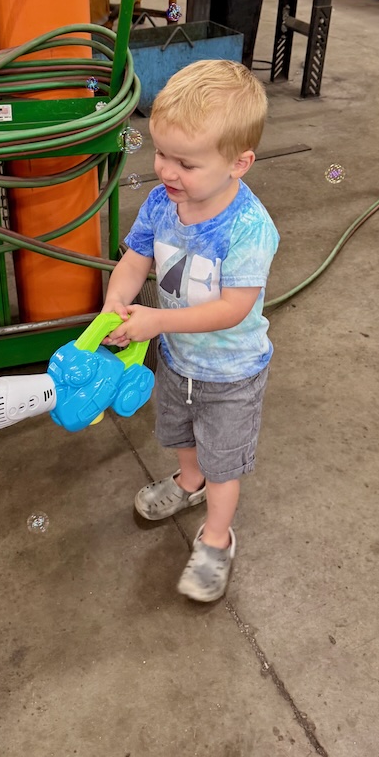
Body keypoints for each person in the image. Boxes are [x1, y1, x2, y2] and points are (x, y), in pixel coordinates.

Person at [102, 60, 279, 603]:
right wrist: (116, 303)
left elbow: (231, 309)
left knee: (224, 460)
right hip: (178, 361)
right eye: (160, 154)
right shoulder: (162, 204)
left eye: (187, 163)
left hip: (232, 374)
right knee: (178, 434)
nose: (167, 172)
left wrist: (156, 321)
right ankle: (187, 483)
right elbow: (134, 260)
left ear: (239, 163)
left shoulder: (249, 229)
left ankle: (218, 538)